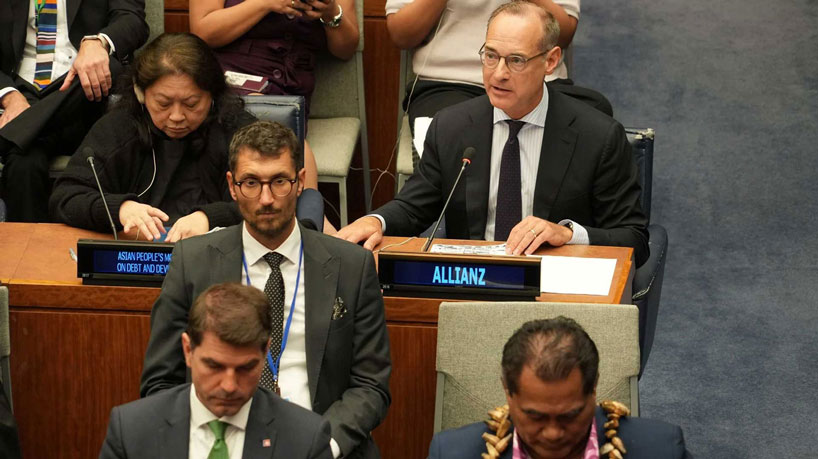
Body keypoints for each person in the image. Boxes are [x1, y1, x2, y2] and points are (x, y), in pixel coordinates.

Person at [140, 120, 391, 458]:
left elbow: (371, 385)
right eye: (251, 183)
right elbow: (160, 382)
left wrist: (321, 445)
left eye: (279, 182)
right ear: (232, 187)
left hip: (322, 443)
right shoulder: (192, 262)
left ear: (300, 182)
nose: (267, 199)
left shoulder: (352, 265)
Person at [336, 0, 649, 267]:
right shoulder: (451, 127)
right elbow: (414, 206)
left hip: (553, 287)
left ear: (551, 61)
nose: (499, 74)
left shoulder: (597, 136)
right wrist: (376, 221)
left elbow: (634, 237)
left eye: (516, 61)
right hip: (474, 282)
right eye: (490, 56)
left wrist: (567, 234)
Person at [49, 33, 255, 242]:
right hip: (133, 253)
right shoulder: (119, 128)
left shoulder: (240, 133)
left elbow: (270, 201)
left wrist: (210, 218)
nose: (176, 116)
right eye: (163, 104)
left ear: (212, 95)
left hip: (216, 253)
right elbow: (66, 197)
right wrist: (120, 209)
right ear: (141, 94)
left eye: (191, 104)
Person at [99, 282, 333, 459]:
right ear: (188, 350)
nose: (229, 386)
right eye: (214, 366)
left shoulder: (306, 440)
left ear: (265, 353)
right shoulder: (132, 431)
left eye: (245, 368)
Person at [189, 0, 360, 231]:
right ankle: (312, 223)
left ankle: (309, 224)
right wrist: (265, 3)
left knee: (281, 120)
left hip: (291, 87)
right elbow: (203, 31)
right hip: (234, 77)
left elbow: (346, 49)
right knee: (274, 123)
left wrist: (330, 13)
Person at [428, 317, 691, 458]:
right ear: (507, 391)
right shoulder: (451, 453)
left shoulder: (662, 449)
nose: (553, 434)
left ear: (594, 389)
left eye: (569, 415)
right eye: (535, 416)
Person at [0, 0, 149, 222]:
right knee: (24, 162)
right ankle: (29, 248)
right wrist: (9, 96)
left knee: (110, 66)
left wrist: (99, 42)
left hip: (85, 90)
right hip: (24, 91)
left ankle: (9, 136)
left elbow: (132, 19)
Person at [386, 0, 584, 126]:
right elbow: (401, 35)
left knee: (587, 129)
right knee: (455, 142)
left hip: (535, 79)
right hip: (449, 82)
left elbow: (563, 35)